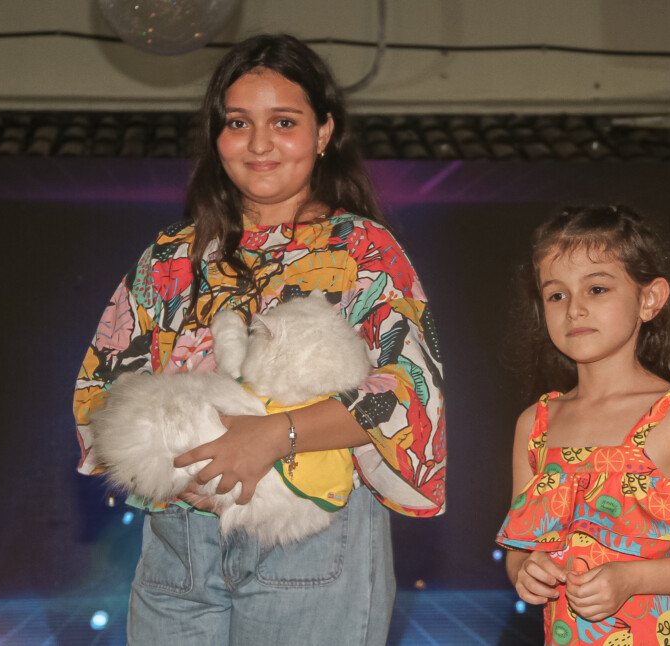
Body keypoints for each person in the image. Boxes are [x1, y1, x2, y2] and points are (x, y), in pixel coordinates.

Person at [73, 33, 446, 645]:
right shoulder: (171, 256)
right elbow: (100, 388)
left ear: (324, 133)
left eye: (285, 122)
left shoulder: (364, 251)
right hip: (178, 541)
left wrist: (275, 434)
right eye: (238, 122)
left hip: (308, 531)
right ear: (217, 135)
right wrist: (166, 467)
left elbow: (407, 395)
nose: (259, 143)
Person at [495, 205, 670, 646]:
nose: (574, 309)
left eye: (597, 288)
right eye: (556, 295)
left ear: (649, 299)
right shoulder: (535, 426)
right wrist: (525, 570)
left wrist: (632, 578)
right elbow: (521, 547)